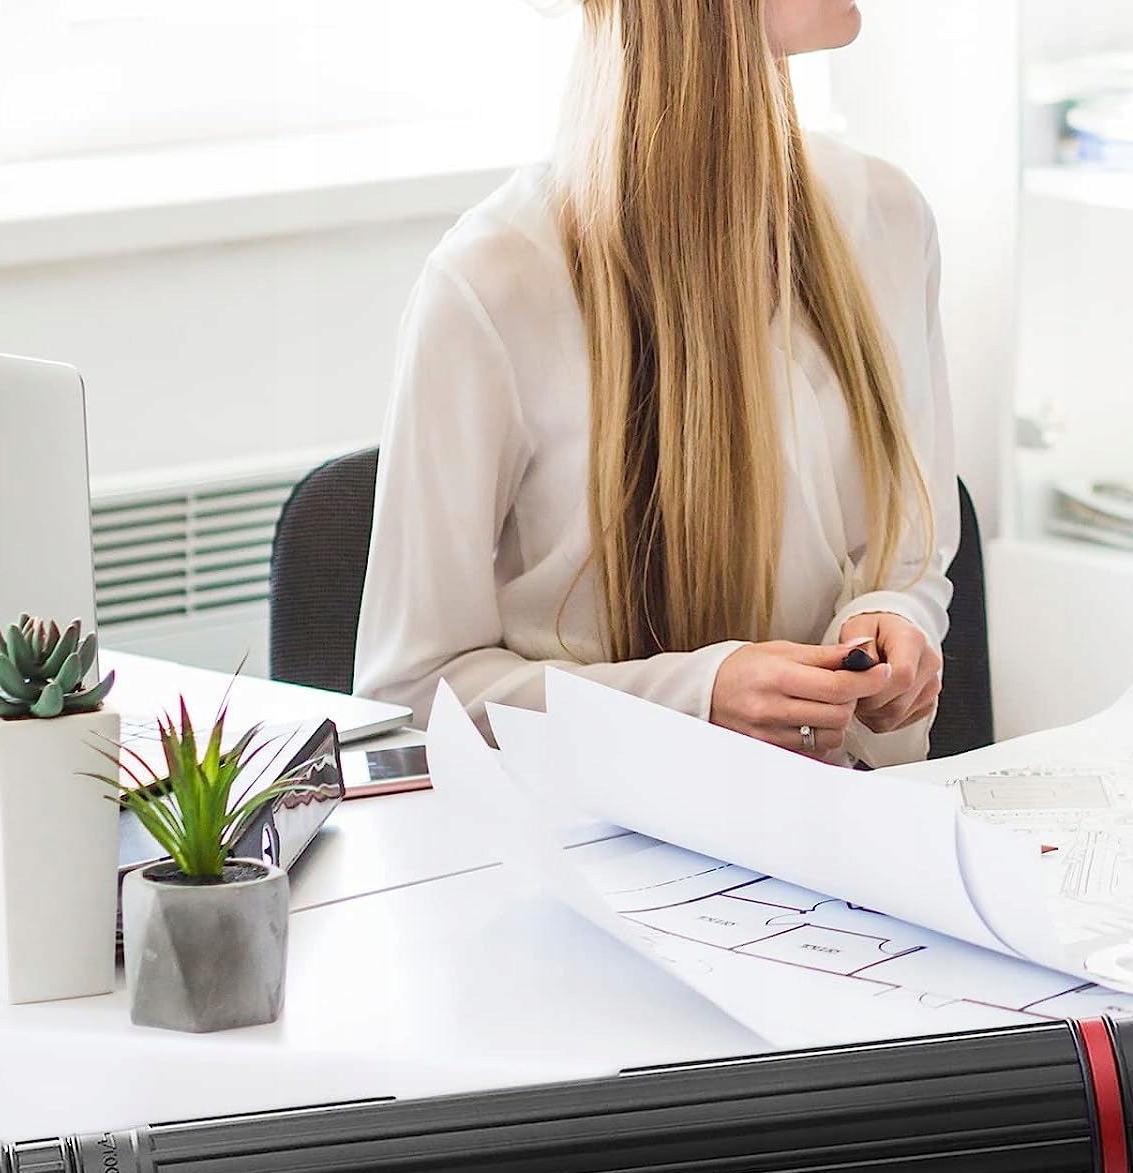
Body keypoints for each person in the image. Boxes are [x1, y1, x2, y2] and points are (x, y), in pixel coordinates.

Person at [353, 0, 956, 768]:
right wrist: (697, 699)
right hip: (590, 828)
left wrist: (891, 620)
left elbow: (909, 555)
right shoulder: (490, 285)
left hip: (844, 816)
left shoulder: (890, 218)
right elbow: (410, 696)